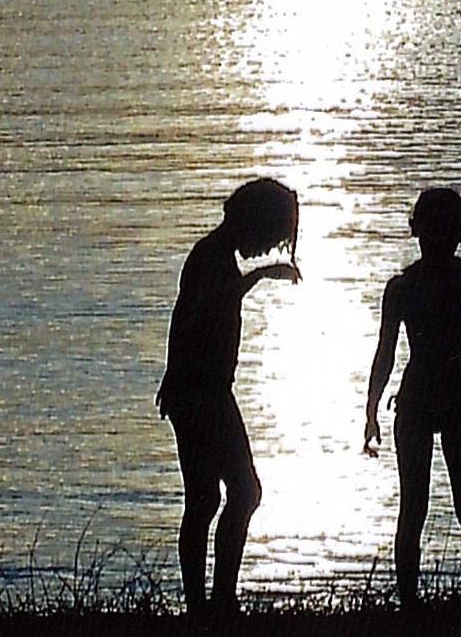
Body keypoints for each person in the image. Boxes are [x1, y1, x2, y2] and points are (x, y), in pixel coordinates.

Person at [157, 178, 300, 621]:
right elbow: (202, 309)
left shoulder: (214, 256)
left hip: (203, 388)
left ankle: (211, 604)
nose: (269, 246)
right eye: (271, 235)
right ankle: (211, 604)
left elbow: (188, 318)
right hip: (201, 391)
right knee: (234, 492)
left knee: (214, 496)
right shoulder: (211, 258)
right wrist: (260, 275)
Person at [363, 187, 461, 608]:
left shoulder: (408, 287)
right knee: (455, 509)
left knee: (428, 508)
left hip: (431, 401)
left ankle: (425, 605)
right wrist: (370, 410)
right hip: (444, 400)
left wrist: (371, 409)